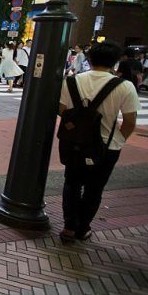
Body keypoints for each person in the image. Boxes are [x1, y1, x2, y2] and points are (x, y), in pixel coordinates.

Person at [58, 41, 139, 242]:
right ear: (115, 63)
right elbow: (129, 121)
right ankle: (83, 228)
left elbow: (61, 110)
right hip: (106, 147)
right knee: (95, 189)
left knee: (72, 183)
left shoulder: (71, 81)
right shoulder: (124, 86)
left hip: (75, 143)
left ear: (89, 59)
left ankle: (69, 227)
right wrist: (119, 139)